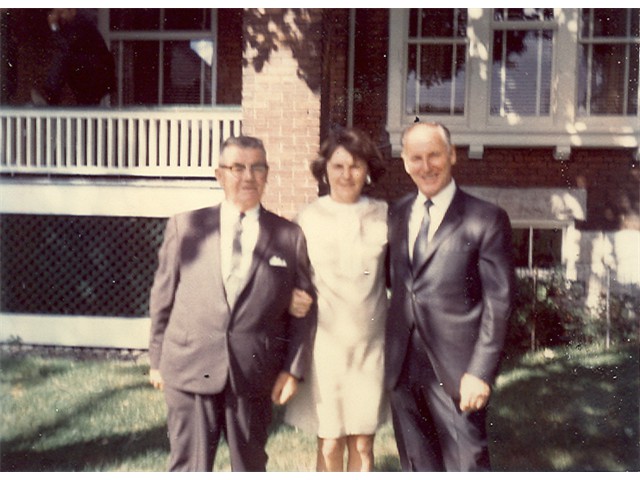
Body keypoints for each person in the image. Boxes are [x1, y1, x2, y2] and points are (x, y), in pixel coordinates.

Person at [148, 135, 317, 472]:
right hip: (190, 366)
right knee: (188, 466)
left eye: (257, 167)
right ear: (219, 174)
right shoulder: (186, 227)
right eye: (237, 167)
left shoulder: (288, 236)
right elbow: (162, 297)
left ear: (268, 174)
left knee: (250, 466)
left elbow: (305, 311)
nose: (248, 176)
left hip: (253, 370)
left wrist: (292, 369)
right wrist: (156, 358)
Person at [385, 122, 515, 471]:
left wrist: (481, 372)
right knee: (416, 466)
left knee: (466, 464)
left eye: (434, 156)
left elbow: (499, 304)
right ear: (405, 162)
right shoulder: (396, 215)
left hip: (458, 371)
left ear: (452, 155)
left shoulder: (485, 218)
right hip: (403, 370)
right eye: (416, 158)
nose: (426, 166)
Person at [284, 127, 389, 472]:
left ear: (369, 171)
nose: (346, 174)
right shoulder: (308, 217)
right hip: (325, 345)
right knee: (329, 442)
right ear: (324, 169)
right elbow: (290, 277)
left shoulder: (385, 215)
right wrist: (290, 297)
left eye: (356, 166)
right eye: (338, 166)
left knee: (362, 441)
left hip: (370, 343)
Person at [33, 8, 115, 106]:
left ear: (72, 11)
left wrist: (53, 26)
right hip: (89, 75)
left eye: (62, 13)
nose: (60, 17)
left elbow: (64, 46)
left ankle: (50, 95)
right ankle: (50, 95)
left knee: (63, 56)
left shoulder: (80, 24)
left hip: (95, 76)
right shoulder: (74, 25)